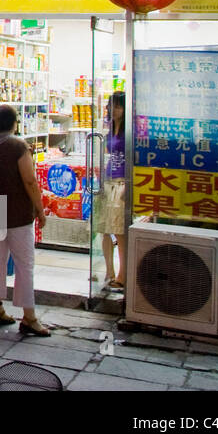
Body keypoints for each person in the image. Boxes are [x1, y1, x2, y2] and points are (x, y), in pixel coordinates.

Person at [0, 104, 49, 336]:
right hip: (18, 213)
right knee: (24, 264)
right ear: (14, 123)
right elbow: (29, 181)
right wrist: (40, 209)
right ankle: (29, 316)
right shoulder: (18, 146)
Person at [95, 91, 128, 290]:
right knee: (103, 228)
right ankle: (109, 271)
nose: (113, 110)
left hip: (122, 181)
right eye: (111, 106)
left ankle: (122, 275)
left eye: (117, 106)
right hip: (108, 179)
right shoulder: (110, 128)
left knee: (119, 230)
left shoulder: (128, 131)